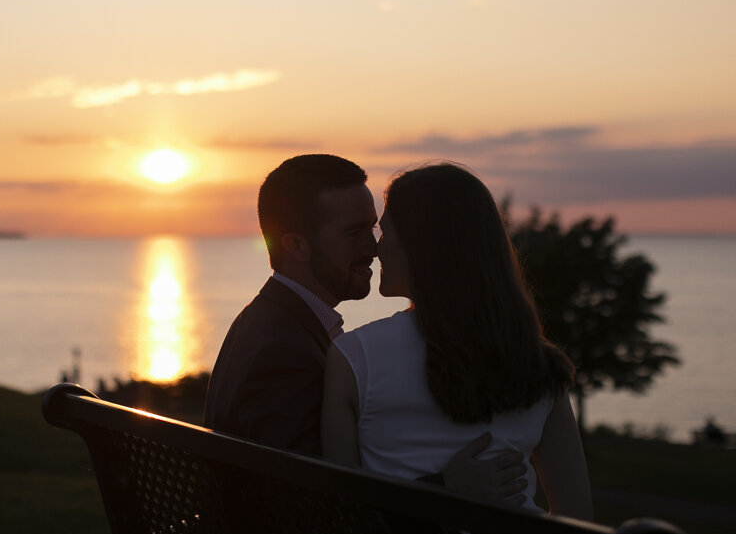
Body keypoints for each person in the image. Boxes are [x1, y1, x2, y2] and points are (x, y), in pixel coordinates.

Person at [204, 154, 529, 500]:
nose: (373, 248)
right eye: (353, 233)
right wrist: (447, 489)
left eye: (373, 228)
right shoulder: (282, 354)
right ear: (297, 245)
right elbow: (313, 510)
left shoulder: (269, 322)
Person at [321, 162, 592, 518]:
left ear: (422, 245)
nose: (374, 250)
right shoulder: (538, 365)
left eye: (385, 234)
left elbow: (341, 513)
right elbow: (577, 520)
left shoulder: (354, 359)